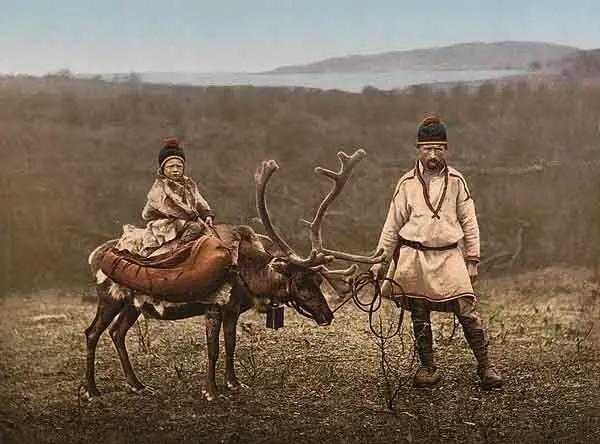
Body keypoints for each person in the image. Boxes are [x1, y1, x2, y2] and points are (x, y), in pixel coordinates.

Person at [369, 115, 503, 390]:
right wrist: (379, 262)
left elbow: (469, 221)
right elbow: (392, 225)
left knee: (467, 310)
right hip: (414, 258)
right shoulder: (406, 183)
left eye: (439, 149)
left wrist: (473, 259)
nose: (433, 155)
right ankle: (427, 368)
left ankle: (485, 367)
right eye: (428, 149)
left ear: (446, 150)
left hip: (449, 256)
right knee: (419, 313)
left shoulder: (456, 181)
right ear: (418, 149)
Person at [116, 137, 216, 257]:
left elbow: (199, 200)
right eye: (171, 166)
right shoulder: (159, 188)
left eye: (179, 166)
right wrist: (192, 215)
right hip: (166, 222)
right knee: (195, 228)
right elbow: (170, 208)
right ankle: (179, 252)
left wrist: (206, 214)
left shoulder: (189, 184)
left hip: (186, 219)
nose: (175, 170)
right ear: (163, 169)